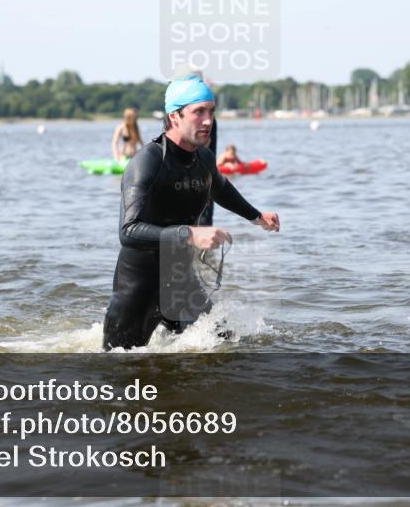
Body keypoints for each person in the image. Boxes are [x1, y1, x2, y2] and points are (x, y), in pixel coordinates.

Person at [102, 74, 279, 350]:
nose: (208, 120)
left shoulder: (204, 158)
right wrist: (189, 234)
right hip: (138, 291)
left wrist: (256, 216)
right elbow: (129, 231)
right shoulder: (147, 162)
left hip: (181, 283)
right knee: (123, 373)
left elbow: (220, 188)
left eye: (211, 111)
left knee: (226, 351)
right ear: (175, 116)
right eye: (199, 112)